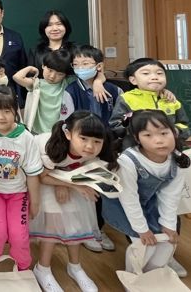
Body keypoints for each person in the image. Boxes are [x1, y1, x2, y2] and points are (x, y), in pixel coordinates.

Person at [30, 111, 118, 292]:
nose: (90, 146)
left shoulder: (98, 152)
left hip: (69, 179)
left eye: (97, 141)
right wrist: (67, 185)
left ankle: (75, 267)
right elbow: (41, 177)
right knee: (52, 222)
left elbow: (89, 169)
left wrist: (72, 184)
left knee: (75, 221)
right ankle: (43, 268)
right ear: (68, 134)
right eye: (83, 138)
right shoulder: (51, 146)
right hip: (45, 179)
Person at [102, 110, 190, 275]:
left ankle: (156, 272)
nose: (159, 140)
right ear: (137, 139)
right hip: (120, 203)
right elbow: (129, 198)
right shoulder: (128, 161)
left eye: (164, 133)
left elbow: (171, 196)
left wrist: (168, 225)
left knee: (166, 240)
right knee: (144, 243)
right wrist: (142, 230)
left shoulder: (178, 160)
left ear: (174, 132)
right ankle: (135, 277)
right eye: (148, 135)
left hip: (149, 200)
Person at [63, 45, 122, 253]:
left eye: (86, 63)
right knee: (85, 188)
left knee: (103, 188)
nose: (80, 68)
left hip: (107, 146)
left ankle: (100, 229)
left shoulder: (114, 90)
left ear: (98, 66)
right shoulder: (70, 90)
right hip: (81, 148)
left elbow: (122, 118)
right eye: (76, 64)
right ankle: (87, 230)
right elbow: (66, 120)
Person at [0, 86, 42, 272]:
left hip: (18, 194)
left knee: (18, 235)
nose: (0, 117)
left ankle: (22, 268)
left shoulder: (26, 138)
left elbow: (32, 174)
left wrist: (35, 202)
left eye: (6, 111)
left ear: (15, 110)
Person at [110, 58, 190, 151]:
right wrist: (140, 133)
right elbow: (116, 125)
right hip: (135, 150)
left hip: (168, 150)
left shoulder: (171, 100)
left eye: (159, 73)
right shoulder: (127, 98)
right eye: (146, 73)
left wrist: (175, 131)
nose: (154, 77)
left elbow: (184, 125)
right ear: (133, 80)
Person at [13, 49, 75, 134]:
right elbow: (17, 77)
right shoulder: (37, 83)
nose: (52, 76)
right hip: (37, 131)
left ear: (65, 75)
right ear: (43, 66)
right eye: (50, 70)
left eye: (60, 74)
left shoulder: (66, 83)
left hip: (58, 131)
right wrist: (30, 68)